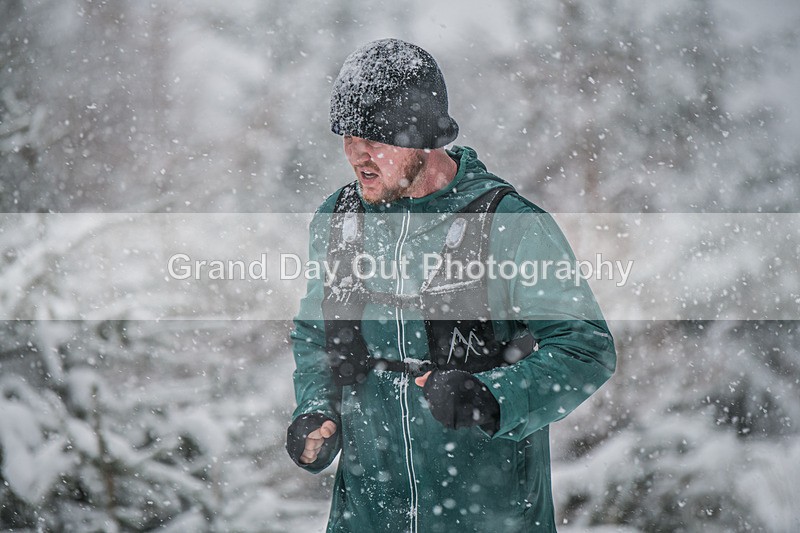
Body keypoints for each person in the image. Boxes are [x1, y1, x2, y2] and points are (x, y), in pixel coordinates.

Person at [286, 38, 616, 533]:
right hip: (369, 515)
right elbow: (316, 334)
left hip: (489, 514)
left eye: (375, 139)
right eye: (349, 137)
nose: (357, 155)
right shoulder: (340, 219)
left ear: (422, 136)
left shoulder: (508, 224)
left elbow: (586, 348)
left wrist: (493, 396)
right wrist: (316, 409)